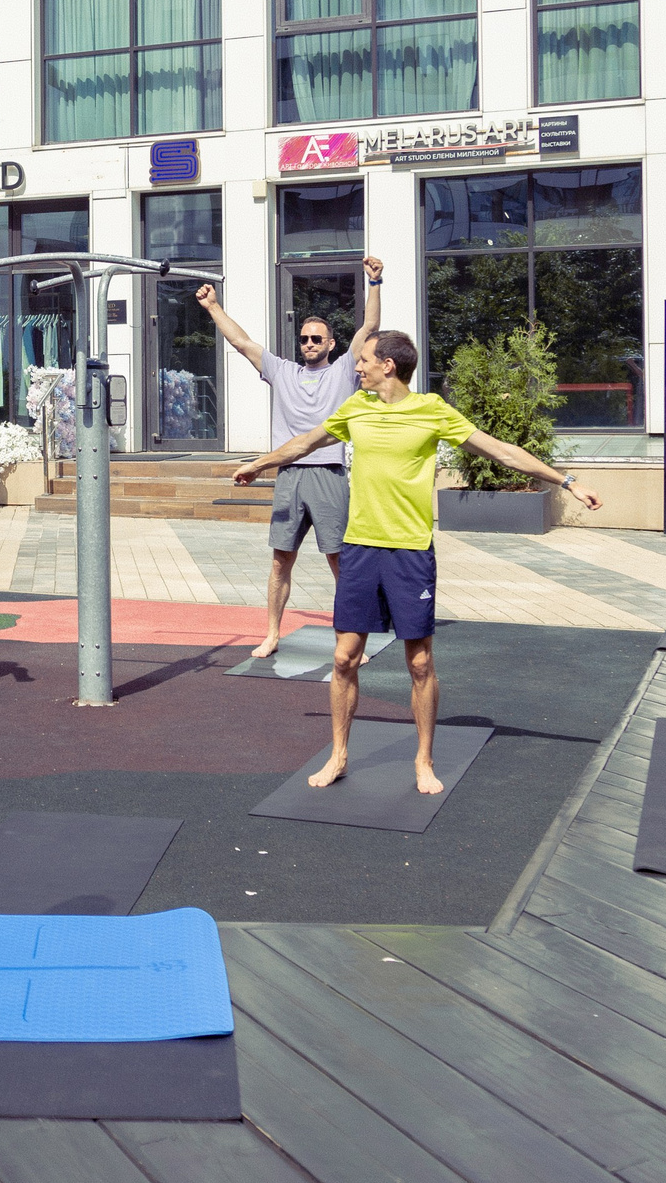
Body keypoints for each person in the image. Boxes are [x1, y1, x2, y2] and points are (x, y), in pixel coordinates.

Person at [234, 331, 600, 795]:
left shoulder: (432, 411)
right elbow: (305, 443)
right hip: (359, 548)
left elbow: (502, 451)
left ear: (388, 365)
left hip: (409, 551)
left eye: (364, 360)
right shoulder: (356, 408)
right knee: (344, 658)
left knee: (421, 662)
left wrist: (567, 481)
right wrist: (259, 464)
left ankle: (424, 760)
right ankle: (339, 755)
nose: (357, 367)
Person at [195, 259, 383, 659]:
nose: (310, 344)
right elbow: (242, 342)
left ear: (331, 344)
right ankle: (272, 635)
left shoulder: (344, 371)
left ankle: (352, 641)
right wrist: (213, 307)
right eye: (304, 339)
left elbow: (369, 327)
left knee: (340, 562)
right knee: (281, 561)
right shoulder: (282, 372)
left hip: (328, 474)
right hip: (289, 477)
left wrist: (375, 282)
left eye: (317, 339)